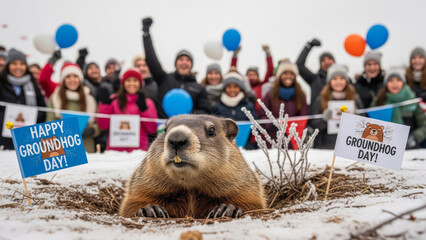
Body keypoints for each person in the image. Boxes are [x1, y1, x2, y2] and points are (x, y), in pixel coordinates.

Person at [141, 17, 210, 118]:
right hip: (164, 129)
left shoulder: (199, 88)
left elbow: (206, 111)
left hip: (187, 130)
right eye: (181, 59)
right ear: (176, 63)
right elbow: (151, 60)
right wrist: (146, 34)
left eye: (187, 60)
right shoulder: (163, 79)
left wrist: (186, 113)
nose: (184, 62)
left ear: (191, 65)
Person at [97, 69, 158, 152]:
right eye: (128, 80)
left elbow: (152, 129)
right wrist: (105, 105)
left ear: (140, 84)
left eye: (135, 80)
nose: (132, 83)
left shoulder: (147, 102)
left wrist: (144, 109)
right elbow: (103, 126)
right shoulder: (114, 100)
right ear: (123, 83)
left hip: (138, 151)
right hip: (115, 151)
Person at [46, 63, 100, 153]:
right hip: (62, 149)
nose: (72, 80)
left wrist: (91, 130)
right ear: (63, 80)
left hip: (86, 149)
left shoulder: (90, 100)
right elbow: (48, 123)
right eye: (68, 77)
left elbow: (100, 125)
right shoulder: (55, 98)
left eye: (75, 76)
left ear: (80, 79)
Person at [0, 48, 46, 149]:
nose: (18, 67)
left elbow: (43, 109)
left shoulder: (33, 84)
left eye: (22, 64)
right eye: (14, 63)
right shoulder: (1, 83)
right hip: (3, 140)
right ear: (8, 65)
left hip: (27, 140)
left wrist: (31, 118)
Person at [309, 64, 363, 149]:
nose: (338, 82)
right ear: (329, 81)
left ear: (346, 81)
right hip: (325, 146)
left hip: (349, 145)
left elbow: (364, 121)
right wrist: (323, 120)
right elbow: (312, 123)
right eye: (335, 79)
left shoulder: (355, 98)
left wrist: (357, 117)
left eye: (342, 78)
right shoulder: (321, 99)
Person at [371, 69, 426, 149]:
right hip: (384, 149)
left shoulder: (412, 101)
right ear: (386, 84)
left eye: (398, 80)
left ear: (403, 83)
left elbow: (424, 125)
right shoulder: (379, 100)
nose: (395, 83)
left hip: (411, 149)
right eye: (391, 81)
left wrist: (415, 137)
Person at [260, 60, 309, 141]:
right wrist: (270, 125)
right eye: (285, 73)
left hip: (294, 137)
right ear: (280, 76)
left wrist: (294, 126)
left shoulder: (300, 95)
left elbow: (304, 115)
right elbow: (263, 114)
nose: (288, 76)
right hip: (273, 137)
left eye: (291, 74)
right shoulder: (270, 94)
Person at [211, 72, 257, 149]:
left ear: (240, 88)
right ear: (224, 88)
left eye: (235, 86)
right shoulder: (217, 107)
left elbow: (256, 125)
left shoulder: (248, 106)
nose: (232, 89)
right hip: (225, 147)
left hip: (248, 147)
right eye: (229, 86)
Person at [296, 38, 336, 106]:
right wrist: (308, 46)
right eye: (323, 60)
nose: (327, 62)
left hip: (339, 114)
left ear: (334, 61)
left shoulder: (345, 80)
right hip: (318, 115)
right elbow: (299, 66)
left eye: (329, 58)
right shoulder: (314, 79)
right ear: (320, 64)